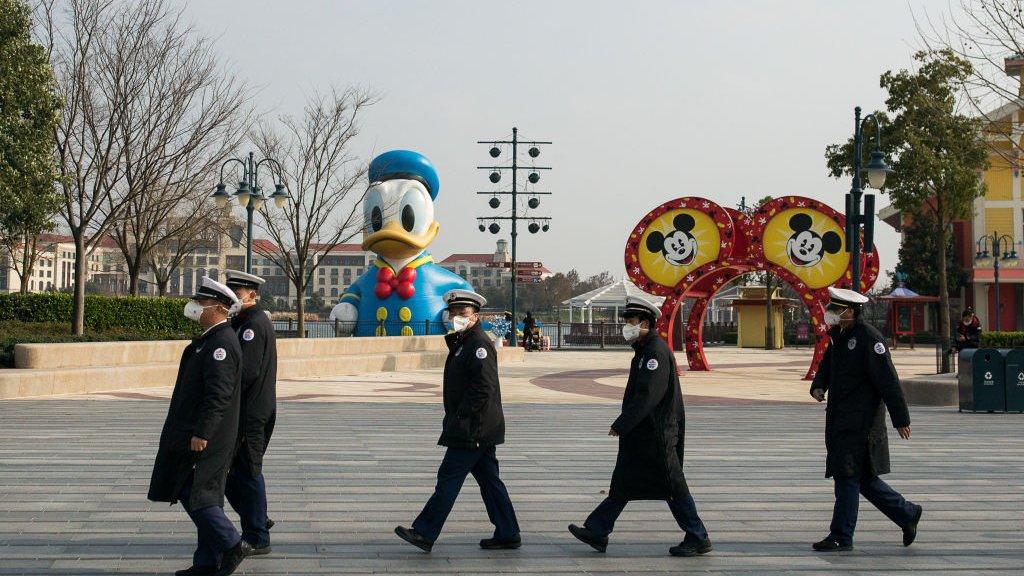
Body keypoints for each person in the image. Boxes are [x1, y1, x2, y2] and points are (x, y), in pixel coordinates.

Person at [568, 296, 712, 557]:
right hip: (642, 434)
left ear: (645, 323)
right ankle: (598, 530)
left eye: (631, 322)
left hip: (657, 434)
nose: (627, 327)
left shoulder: (655, 352)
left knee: (673, 485)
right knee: (623, 482)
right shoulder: (644, 350)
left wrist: (622, 424)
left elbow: (648, 395)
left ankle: (697, 535)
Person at [395, 289, 521, 553]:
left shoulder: (478, 345)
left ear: (475, 316)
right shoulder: (463, 341)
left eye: (462, 313)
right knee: (489, 481)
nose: (456, 317)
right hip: (477, 426)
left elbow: (483, 387)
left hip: (473, 428)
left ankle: (425, 532)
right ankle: (508, 532)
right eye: (453, 312)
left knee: (449, 478)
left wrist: (462, 415)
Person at [148, 277, 251, 576]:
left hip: (209, 437)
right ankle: (206, 563)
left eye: (201, 303)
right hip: (198, 432)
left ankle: (232, 543)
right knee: (204, 494)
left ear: (218, 308)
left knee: (195, 492)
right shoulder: (211, 340)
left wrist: (203, 432)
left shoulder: (221, 343)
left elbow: (218, 395)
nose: (195, 307)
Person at [809, 287, 923, 552]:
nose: (831, 314)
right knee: (863, 480)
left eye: (836, 310)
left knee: (847, 477)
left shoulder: (869, 338)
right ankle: (906, 513)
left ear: (850, 311)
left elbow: (888, 381)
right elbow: (827, 366)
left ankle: (841, 536)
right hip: (840, 420)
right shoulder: (839, 336)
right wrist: (818, 386)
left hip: (861, 424)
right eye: (831, 309)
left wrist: (900, 418)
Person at [223, 270, 278, 556]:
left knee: (247, 469)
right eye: (231, 290)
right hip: (248, 409)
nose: (234, 296)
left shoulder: (253, 325)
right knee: (233, 472)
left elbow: (246, 371)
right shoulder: (244, 321)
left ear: (252, 295)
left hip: (250, 412)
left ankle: (258, 536)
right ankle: (257, 518)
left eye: (239, 292)